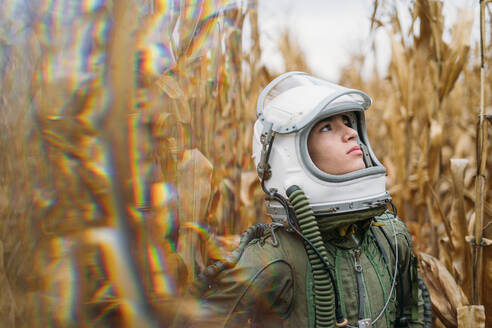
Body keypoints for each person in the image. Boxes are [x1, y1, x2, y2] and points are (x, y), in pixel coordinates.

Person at [177, 72, 430, 328]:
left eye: (347, 121)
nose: (350, 133)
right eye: (327, 127)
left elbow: (414, 318)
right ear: (289, 154)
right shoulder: (274, 258)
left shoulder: (391, 237)